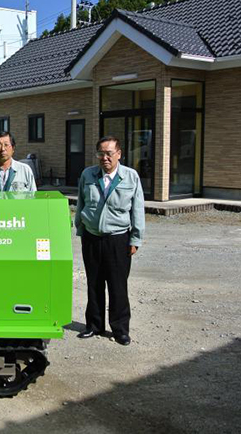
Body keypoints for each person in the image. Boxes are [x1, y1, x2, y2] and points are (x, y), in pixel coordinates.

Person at [74, 136, 145, 346]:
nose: (104, 158)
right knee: (94, 284)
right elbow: (81, 202)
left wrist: (136, 239)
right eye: (101, 153)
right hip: (92, 238)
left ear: (119, 154)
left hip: (118, 239)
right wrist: (81, 229)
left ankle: (120, 329)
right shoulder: (88, 175)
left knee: (117, 286)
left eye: (109, 153)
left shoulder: (130, 177)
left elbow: (138, 210)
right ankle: (94, 326)